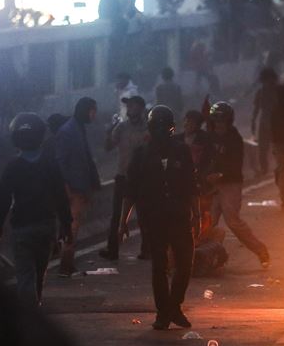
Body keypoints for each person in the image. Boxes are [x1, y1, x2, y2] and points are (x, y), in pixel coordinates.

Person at [124, 105, 197, 330]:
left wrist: (196, 213)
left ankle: (172, 307)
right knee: (162, 265)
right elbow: (132, 191)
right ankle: (165, 311)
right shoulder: (141, 154)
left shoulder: (181, 151)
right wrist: (123, 221)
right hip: (156, 219)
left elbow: (191, 186)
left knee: (181, 263)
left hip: (177, 217)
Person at [0, 114, 73, 307]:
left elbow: (1, 201)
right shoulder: (50, 164)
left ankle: (30, 317)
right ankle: (35, 309)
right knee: (39, 273)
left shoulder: (13, 166)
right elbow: (61, 197)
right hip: (46, 228)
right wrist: (66, 227)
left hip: (22, 229)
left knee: (25, 276)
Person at [206, 102, 271, 269]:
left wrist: (220, 175)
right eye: (216, 121)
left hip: (230, 185)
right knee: (207, 223)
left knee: (233, 221)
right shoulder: (209, 136)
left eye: (222, 121)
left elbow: (234, 165)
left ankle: (260, 251)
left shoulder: (234, 139)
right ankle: (209, 256)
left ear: (228, 121)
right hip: (211, 186)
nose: (219, 124)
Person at [51, 97, 100, 277]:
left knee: (73, 227)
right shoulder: (68, 131)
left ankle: (68, 263)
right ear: (85, 110)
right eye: (93, 111)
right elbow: (60, 162)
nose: (94, 115)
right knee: (71, 228)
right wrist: (67, 188)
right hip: (73, 189)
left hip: (80, 188)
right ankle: (65, 265)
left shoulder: (78, 128)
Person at [100, 96, 149, 262]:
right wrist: (109, 131)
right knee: (117, 216)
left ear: (140, 109)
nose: (129, 109)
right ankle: (112, 249)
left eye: (133, 106)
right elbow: (107, 147)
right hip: (123, 176)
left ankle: (147, 249)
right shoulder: (121, 127)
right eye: (128, 106)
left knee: (144, 214)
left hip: (143, 177)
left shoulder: (149, 128)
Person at [251, 68, 280, 178]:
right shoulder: (261, 92)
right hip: (266, 123)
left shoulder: (278, 91)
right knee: (263, 148)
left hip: (275, 123)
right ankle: (264, 169)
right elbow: (256, 109)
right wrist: (253, 123)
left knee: (277, 147)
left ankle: (279, 166)